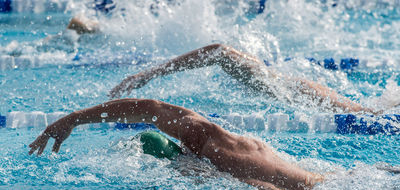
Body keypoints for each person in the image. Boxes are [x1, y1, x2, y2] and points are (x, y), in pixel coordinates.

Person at [28, 98, 324, 190]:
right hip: (318, 182)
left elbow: (150, 107)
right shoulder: (218, 151)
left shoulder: (209, 141)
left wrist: (73, 119)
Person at [109, 44, 391, 114]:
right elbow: (219, 52)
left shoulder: (271, 82)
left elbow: (219, 52)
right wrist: (147, 74)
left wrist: (147, 74)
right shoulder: (274, 81)